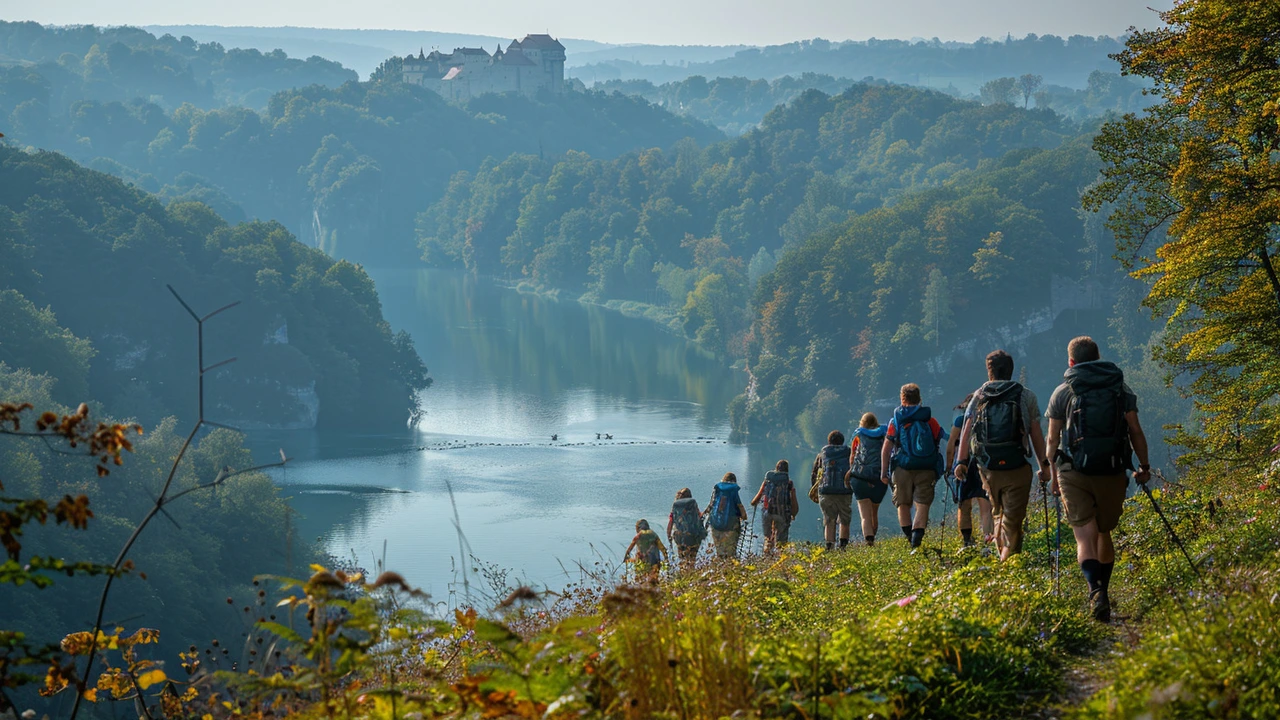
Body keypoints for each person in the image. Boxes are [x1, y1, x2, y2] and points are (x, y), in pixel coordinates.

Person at [1044, 336, 1150, 623]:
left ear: (1071, 362)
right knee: (1104, 531)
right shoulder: (1119, 387)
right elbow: (1135, 430)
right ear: (1098, 356)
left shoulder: (1063, 392)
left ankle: (1095, 592)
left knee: (1084, 535)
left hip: (1073, 472)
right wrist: (1143, 466)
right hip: (1112, 469)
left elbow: (1052, 439)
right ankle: (1103, 589)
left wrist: (1052, 473)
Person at [955, 350, 1050, 560]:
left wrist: (961, 461)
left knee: (998, 511)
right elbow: (1036, 433)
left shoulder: (978, 396)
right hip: (1017, 464)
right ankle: (1006, 564)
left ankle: (1003, 559)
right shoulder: (1025, 395)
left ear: (989, 371)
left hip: (987, 467)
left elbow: (967, 429)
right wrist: (1044, 466)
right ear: (1011, 370)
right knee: (1013, 519)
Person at [880, 383, 945, 550]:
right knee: (922, 504)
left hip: (902, 467)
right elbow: (942, 438)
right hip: (927, 467)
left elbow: (886, 448)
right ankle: (917, 539)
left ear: (902, 399)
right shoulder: (929, 419)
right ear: (919, 398)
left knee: (903, 504)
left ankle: (910, 540)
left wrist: (884, 472)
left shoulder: (896, 420)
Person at [945, 392, 994, 546]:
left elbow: (951, 444)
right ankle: (988, 539)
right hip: (983, 462)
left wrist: (949, 466)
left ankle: (967, 540)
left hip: (964, 463)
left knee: (964, 504)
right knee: (985, 506)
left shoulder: (961, 420)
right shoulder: (988, 419)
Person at [846, 413, 888, 546]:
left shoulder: (858, 435)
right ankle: (873, 535)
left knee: (865, 515)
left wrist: (851, 471)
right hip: (879, 477)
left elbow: (852, 457)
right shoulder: (883, 434)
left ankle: (869, 541)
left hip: (860, 478)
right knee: (874, 511)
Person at [811, 430, 854, 549]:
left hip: (826, 491)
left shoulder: (822, 454)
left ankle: (829, 546)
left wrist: (815, 488)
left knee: (829, 519)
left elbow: (814, 473)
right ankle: (843, 546)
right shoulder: (849, 453)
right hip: (845, 490)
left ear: (829, 441)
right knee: (844, 519)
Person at [751, 460, 799, 553]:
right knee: (781, 543)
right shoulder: (789, 483)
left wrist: (753, 503)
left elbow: (756, 498)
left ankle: (767, 557)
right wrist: (793, 513)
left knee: (768, 539)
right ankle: (779, 561)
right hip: (782, 514)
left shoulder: (767, 481)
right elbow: (793, 501)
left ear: (776, 469)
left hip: (767, 513)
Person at [703, 472, 748, 559]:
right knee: (730, 553)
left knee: (719, 551)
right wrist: (744, 516)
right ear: (734, 481)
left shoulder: (717, 489)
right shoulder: (733, 490)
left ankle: (720, 568)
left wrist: (703, 515)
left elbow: (711, 505)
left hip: (716, 525)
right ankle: (730, 568)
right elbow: (739, 505)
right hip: (731, 526)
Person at [666, 488, 706, 568]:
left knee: (682, 558)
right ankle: (691, 573)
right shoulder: (692, 505)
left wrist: (669, 536)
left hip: (679, 536)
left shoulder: (676, 506)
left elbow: (670, 522)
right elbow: (699, 516)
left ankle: (683, 573)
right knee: (692, 558)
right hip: (693, 536)